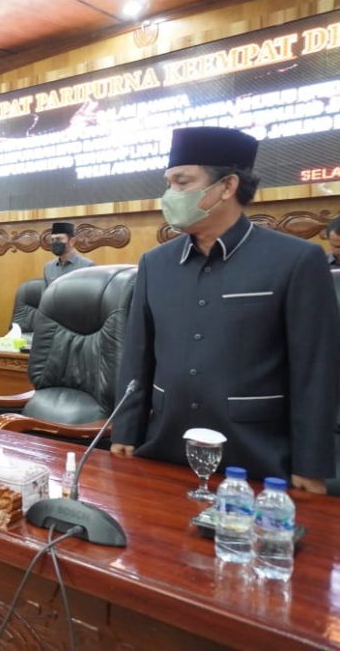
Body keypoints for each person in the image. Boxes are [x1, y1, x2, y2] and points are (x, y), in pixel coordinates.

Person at [111, 127, 338, 493]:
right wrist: (125, 430)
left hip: (257, 458)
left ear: (228, 186)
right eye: (168, 184)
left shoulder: (296, 260)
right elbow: (137, 356)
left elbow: (315, 370)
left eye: (183, 182)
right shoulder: (155, 263)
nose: (171, 195)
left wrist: (311, 464)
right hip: (165, 448)